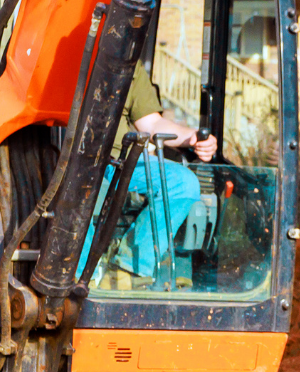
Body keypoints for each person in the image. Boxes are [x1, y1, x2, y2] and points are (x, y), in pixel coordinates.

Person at [88, 64, 219, 281]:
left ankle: (128, 271)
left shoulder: (127, 59)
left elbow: (151, 122)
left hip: (120, 159)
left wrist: (191, 137)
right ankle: (78, 278)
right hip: (77, 158)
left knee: (184, 183)